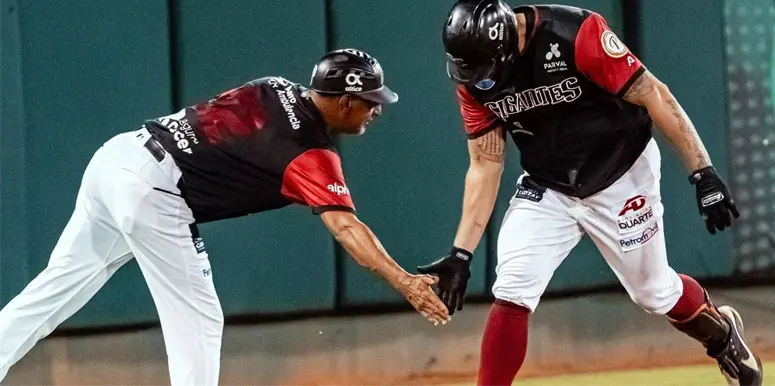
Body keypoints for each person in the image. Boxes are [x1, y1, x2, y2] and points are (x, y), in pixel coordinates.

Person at [0, 49, 450, 386]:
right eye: (371, 100)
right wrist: (405, 281)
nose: (378, 109)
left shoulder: (273, 85)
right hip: (152, 189)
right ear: (346, 101)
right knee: (200, 318)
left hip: (118, 156)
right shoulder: (311, 155)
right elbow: (347, 227)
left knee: (56, 287)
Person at [417, 0, 762, 386]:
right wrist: (461, 253)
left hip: (620, 171)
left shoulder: (574, 33)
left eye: (482, 65)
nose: (478, 78)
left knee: (653, 292)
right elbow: (486, 162)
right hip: (548, 185)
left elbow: (654, 94)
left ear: (505, 42)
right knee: (512, 288)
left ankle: (721, 336)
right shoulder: (474, 83)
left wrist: (703, 173)